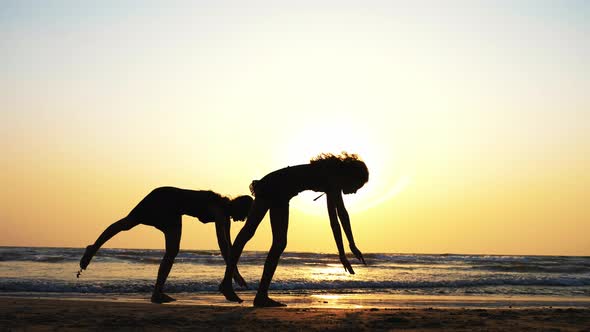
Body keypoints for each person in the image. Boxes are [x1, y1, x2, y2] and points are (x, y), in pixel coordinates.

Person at [219, 152, 369, 307]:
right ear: (351, 177)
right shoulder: (332, 178)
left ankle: (261, 295)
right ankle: (227, 282)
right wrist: (343, 253)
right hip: (273, 185)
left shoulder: (333, 178)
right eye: (358, 185)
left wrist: (350, 245)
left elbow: (341, 215)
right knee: (249, 231)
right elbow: (335, 220)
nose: (356, 191)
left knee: (279, 243)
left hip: (283, 192)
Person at [78, 187, 253, 303]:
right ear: (240, 208)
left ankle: (157, 293)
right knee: (129, 224)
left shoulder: (224, 215)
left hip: (170, 203)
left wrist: (234, 272)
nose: (244, 220)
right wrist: (233, 274)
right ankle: (93, 248)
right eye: (245, 215)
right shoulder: (219, 210)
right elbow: (223, 245)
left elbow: (229, 247)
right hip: (165, 199)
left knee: (133, 226)